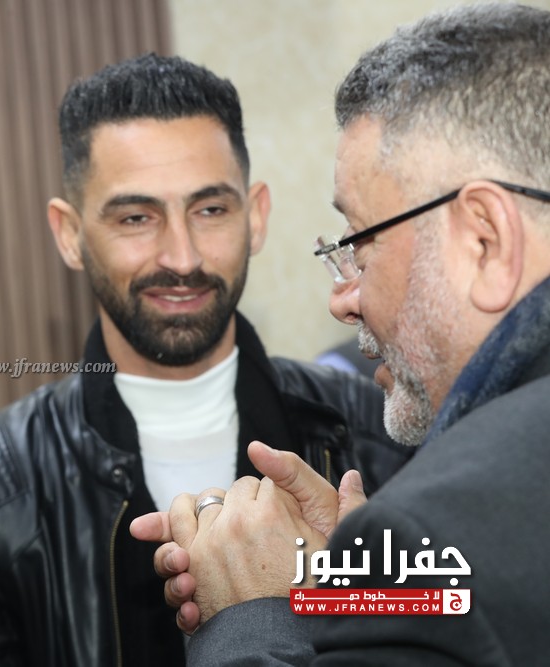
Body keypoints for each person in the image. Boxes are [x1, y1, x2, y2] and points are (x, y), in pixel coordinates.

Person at [0, 53, 410, 667]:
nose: (182, 257)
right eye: (136, 218)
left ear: (256, 216)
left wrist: (353, 588)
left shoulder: (380, 431)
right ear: (70, 234)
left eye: (210, 210)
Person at [133, 4, 550, 665]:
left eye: (360, 242)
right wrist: (359, 583)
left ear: (485, 240)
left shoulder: (431, 526)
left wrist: (254, 615)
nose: (342, 299)